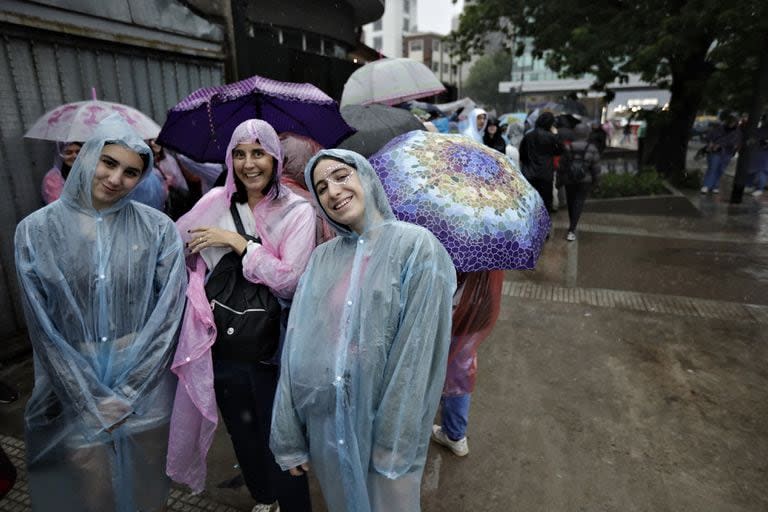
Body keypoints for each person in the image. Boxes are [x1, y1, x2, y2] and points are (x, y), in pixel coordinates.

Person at [14, 114, 187, 511]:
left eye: (131, 171)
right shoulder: (35, 231)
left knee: (148, 488)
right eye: (109, 163)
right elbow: (43, 327)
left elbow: (167, 317)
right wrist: (87, 397)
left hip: (145, 383)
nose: (115, 178)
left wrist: (129, 393)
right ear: (89, 156)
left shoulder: (158, 230)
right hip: (73, 381)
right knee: (93, 494)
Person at [270, 149, 456, 512]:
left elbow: (416, 357)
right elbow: (297, 346)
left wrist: (393, 440)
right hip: (328, 426)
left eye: (341, 176)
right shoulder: (324, 258)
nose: (332, 191)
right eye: (320, 187)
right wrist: (288, 431)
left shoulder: (416, 248)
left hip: (383, 433)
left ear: (367, 178)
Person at [167, 119, 316, 512]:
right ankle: (264, 497)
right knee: (243, 430)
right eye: (239, 153)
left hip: (273, 349)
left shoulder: (297, 211)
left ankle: (295, 506)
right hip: (221, 342)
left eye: (259, 153)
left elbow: (290, 281)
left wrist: (236, 243)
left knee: (282, 435)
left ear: (275, 157)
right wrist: (196, 258)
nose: (249, 163)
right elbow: (175, 246)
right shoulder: (215, 201)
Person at [431, 270, 504, 456]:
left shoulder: (456, 249)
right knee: (460, 369)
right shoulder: (491, 245)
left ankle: (454, 435)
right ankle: (452, 421)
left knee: (455, 373)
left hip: (459, 315)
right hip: (480, 312)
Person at [558, 123, 601, 241]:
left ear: (575, 133)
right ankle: (572, 229)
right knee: (579, 202)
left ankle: (572, 226)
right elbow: (596, 168)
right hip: (585, 181)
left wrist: (559, 181)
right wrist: (597, 183)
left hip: (569, 180)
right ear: (587, 133)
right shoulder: (592, 149)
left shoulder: (568, 147)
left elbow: (562, 166)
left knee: (571, 203)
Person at [519, 111, 564, 213]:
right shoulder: (551, 137)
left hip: (529, 173)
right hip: (545, 173)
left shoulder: (528, 136)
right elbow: (560, 150)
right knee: (546, 201)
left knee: (531, 201)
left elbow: (522, 154)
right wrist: (556, 135)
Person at [700, 114, 742, 194]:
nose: (731, 124)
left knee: (720, 169)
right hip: (715, 152)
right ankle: (706, 185)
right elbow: (708, 137)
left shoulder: (737, 132)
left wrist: (729, 146)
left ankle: (715, 186)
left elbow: (736, 143)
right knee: (712, 168)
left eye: (733, 122)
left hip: (727, 153)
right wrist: (711, 143)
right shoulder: (718, 129)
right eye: (730, 122)